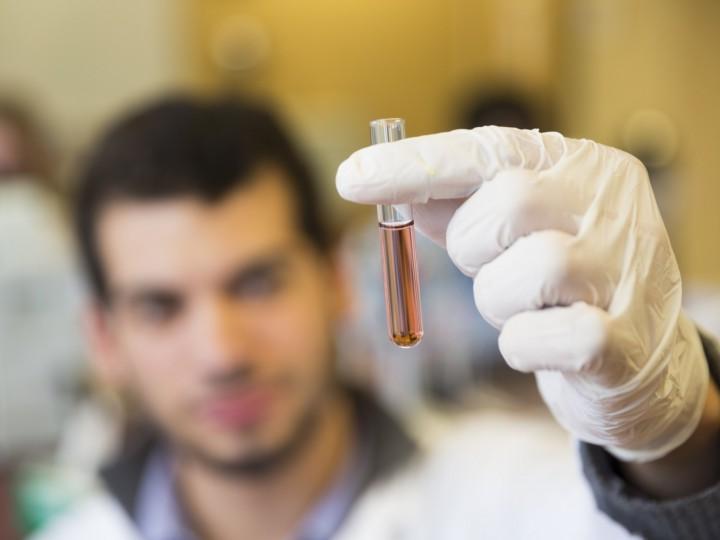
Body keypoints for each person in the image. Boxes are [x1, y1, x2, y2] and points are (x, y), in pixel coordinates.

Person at [32, 96, 669, 540]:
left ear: (337, 280)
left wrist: (681, 442)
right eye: (159, 307)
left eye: (258, 283)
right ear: (103, 338)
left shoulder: (524, 494)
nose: (221, 353)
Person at [337, 126, 720, 540]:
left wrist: (672, 428)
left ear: (332, 278)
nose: (251, 349)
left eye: (264, 282)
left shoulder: (497, 482)